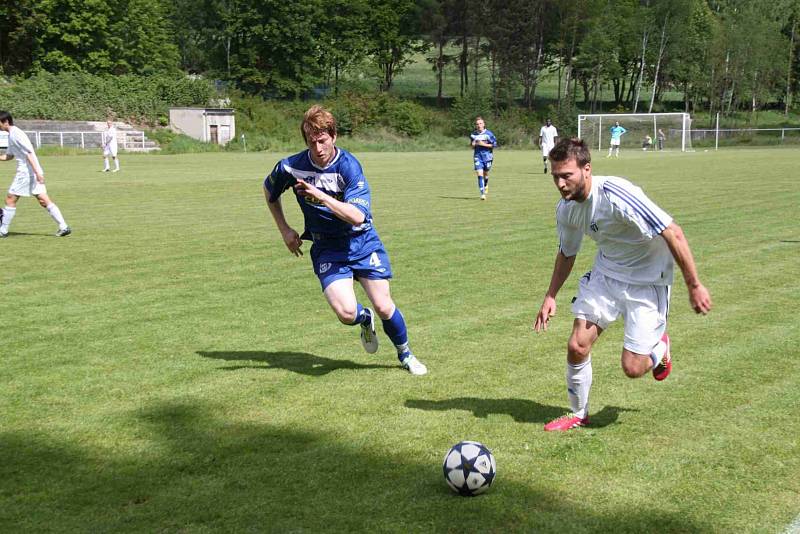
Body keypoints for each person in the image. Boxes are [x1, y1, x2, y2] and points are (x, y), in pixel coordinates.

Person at [533, 138, 712, 431]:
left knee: (633, 368)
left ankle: (659, 350)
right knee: (577, 345)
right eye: (556, 177)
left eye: (567, 175)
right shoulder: (567, 210)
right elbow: (567, 252)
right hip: (607, 275)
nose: (561, 184)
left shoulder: (616, 193)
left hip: (648, 282)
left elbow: (673, 232)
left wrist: (694, 285)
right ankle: (578, 413)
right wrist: (550, 295)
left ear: (586, 169)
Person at [263, 105, 427, 376]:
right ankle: (364, 319)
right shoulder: (290, 167)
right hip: (327, 247)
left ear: (334, 136)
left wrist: (321, 196)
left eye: (322, 140)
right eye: (312, 142)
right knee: (346, 313)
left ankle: (405, 354)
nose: (317, 148)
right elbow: (269, 191)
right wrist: (284, 230)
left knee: (385, 306)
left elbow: (357, 216)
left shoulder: (349, 166)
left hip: (361, 241)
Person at [0, 110, 71, 238]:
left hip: (26, 172)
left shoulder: (16, 134)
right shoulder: (11, 134)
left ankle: (3, 230)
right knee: (44, 200)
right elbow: (9, 156)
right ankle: (64, 227)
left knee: (10, 199)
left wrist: (37, 172)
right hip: (32, 172)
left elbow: (28, 153)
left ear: (5, 122)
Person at [470, 117, 497, 200]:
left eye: (480, 123)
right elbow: (471, 146)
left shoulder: (489, 134)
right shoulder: (473, 135)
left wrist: (483, 144)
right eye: (477, 124)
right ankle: (482, 194)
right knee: (479, 174)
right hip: (477, 156)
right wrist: (473, 144)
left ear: (484, 124)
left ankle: (486, 184)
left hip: (488, 157)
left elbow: (494, 145)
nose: (479, 125)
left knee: (486, 173)